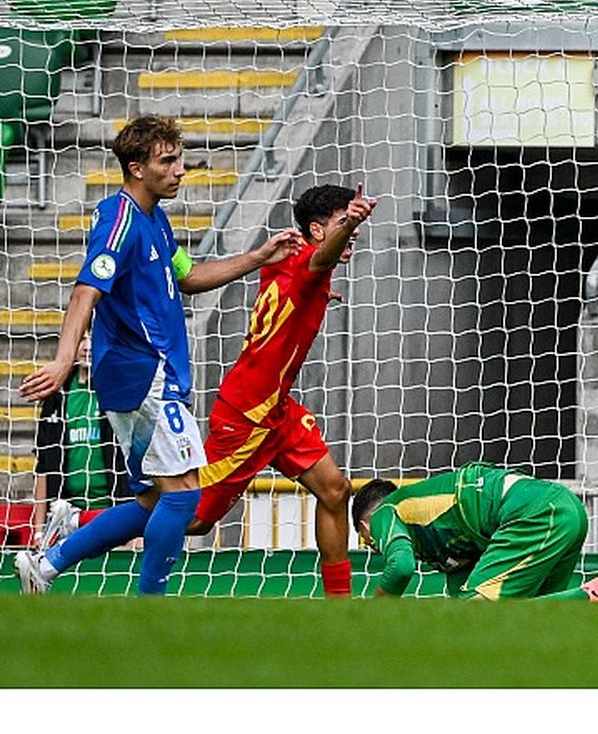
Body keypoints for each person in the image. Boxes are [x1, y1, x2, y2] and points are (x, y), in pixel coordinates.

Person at [33, 184, 376, 598]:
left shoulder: (286, 260)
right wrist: (350, 225)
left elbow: (301, 278)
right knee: (190, 516)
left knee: (335, 489)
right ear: (318, 231)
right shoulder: (309, 263)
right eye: (343, 225)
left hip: (277, 409)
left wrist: (318, 291)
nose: (351, 235)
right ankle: (76, 529)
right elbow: (317, 261)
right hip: (248, 414)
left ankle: (342, 608)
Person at [13, 115, 301, 595]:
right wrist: (64, 362)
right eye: (167, 161)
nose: (180, 170)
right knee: (186, 496)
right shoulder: (119, 221)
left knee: (153, 499)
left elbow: (187, 278)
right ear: (136, 168)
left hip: (151, 372)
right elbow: (87, 289)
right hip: (142, 372)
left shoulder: (156, 221)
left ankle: (46, 566)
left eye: (179, 159)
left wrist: (256, 258)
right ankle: (151, 605)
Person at [352, 461, 598, 602]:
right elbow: (463, 599)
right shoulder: (438, 536)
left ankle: (589, 595)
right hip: (564, 508)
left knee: (478, 606)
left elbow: (400, 567)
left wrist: (376, 613)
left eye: (367, 541)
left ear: (365, 527)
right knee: (537, 622)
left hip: (536, 513)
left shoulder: (386, 512)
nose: (374, 545)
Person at [30, 334, 131, 549]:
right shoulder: (57, 396)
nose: (87, 347)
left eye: (94, 338)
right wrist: (39, 532)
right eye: (81, 339)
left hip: (113, 515)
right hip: (65, 518)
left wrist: (137, 528)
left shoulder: (118, 393)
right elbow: (43, 466)